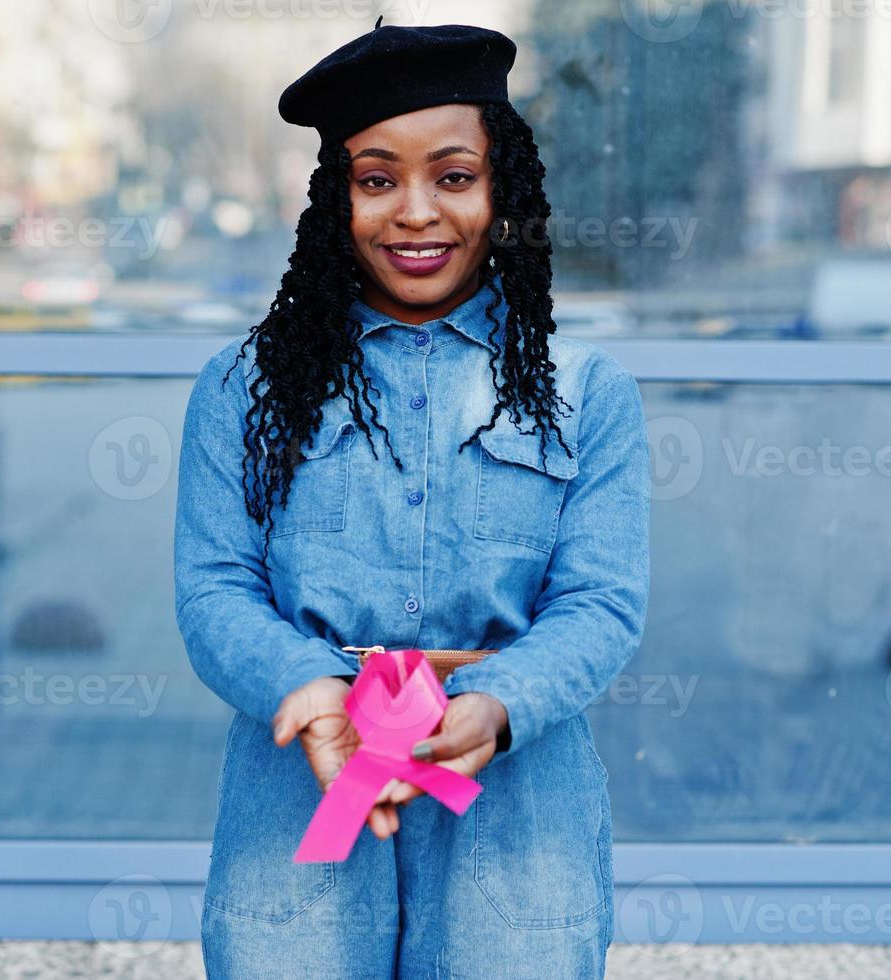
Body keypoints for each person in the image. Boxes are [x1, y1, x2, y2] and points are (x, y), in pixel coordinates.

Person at [173, 21, 650, 978]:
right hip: (303, 790)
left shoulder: (587, 392)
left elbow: (601, 603)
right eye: (377, 178)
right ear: (334, 200)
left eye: (454, 176)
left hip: (515, 807)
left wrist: (495, 702)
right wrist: (307, 692)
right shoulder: (240, 390)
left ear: (499, 191)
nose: (416, 213)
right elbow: (213, 589)